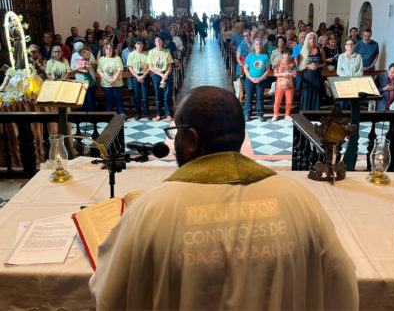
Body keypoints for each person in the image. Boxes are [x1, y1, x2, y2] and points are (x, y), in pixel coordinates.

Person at [89, 86, 359, 310]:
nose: (175, 139)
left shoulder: (150, 210)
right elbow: (341, 288)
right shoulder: (300, 201)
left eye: (176, 132)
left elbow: (109, 294)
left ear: (192, 139)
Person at [148, 34, 174, 121]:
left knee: (166, 95)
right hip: (156, 76)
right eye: (156, 41)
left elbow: (170, 66)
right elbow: (150, 67)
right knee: (158, 95)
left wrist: (165, 74)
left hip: (166, 75)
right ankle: (158, 114)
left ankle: (168, 114)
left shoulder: (166, 51)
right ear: (154, 42)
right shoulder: (151, 52)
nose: (158, 42)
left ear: (162, 42)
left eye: (160, 40)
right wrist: (161, 75)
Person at [244, 39, 270, 122]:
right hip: (250, 80)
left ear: (262, 46)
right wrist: (251, 78)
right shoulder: (250, 56)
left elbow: (268, 70)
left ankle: (260, 114)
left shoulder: (265, 56)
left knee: (260, 98)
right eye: (256, 44)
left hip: (261, 80)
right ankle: (248, 114)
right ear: (254, 46)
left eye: (260, 44)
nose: (258, 46)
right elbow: (245, 68)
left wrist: (261, 78)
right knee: (249, 97)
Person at [298, 32, 326, 111]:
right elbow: (300, 64)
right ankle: (305, 112)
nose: (312, 40)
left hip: (317, 75)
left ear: (316, 39)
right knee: (307, 93)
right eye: (310, 38)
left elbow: (324, 63)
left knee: (316, 93)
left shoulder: (320, 50)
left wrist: (318, 66)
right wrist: (309, 66)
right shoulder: (303, 50)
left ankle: (315, 113)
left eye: (314, 38)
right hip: (307, 75)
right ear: (307, 39)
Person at [97, 42, 124, 114]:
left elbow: (120, 69)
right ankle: (110, 117)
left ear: (113, 49)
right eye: (107, 48)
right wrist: (108, 79)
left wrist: (114, 79)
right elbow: (100, 71)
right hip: (106, 84)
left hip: (117, 84)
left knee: (118, 100)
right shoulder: (101, 59)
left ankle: (122, 116)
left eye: (110, 48)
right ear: (104, 50)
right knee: (109, 101)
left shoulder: (117, 58)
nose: (109, 50)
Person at [128, 36, 151, 120]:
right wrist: (137, 76)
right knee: (137, 96)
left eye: (141, 44)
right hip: (136, 76)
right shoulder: (131, 54)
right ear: (135, 45)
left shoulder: (147, 54)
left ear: (143, 45)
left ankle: (147, 113)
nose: (140, 45)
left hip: (145, 76)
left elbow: (149, 67)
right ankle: (138, 114)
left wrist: (143, 76)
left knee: (145, 96)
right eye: (138, 43)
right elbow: (130, 67)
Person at [272, 46, 297, 122]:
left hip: (290, 86)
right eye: (285, 54)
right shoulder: (278, 63)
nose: (287, 56)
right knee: (277, 101)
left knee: (289, 101)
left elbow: (295, 73)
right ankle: (276, 114)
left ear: (291, 55)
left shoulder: (292, 63)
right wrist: (283, 74)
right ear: (282, 54)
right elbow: (275, 74)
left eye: (288, 54)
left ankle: (287, 115)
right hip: (279, 86)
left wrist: (292, 74)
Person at [70, 41, 97, 111]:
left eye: (81, 50)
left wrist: (90, 66)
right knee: (82, 101)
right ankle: (83, 119)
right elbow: (72, 69)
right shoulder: (74, 56)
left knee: (91, 100)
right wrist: (78, 68)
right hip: (80, 80)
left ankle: (92, 117)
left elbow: (95, 65)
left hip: (90, 80)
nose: (79, 53)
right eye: (78, 51)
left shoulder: (89, 54)